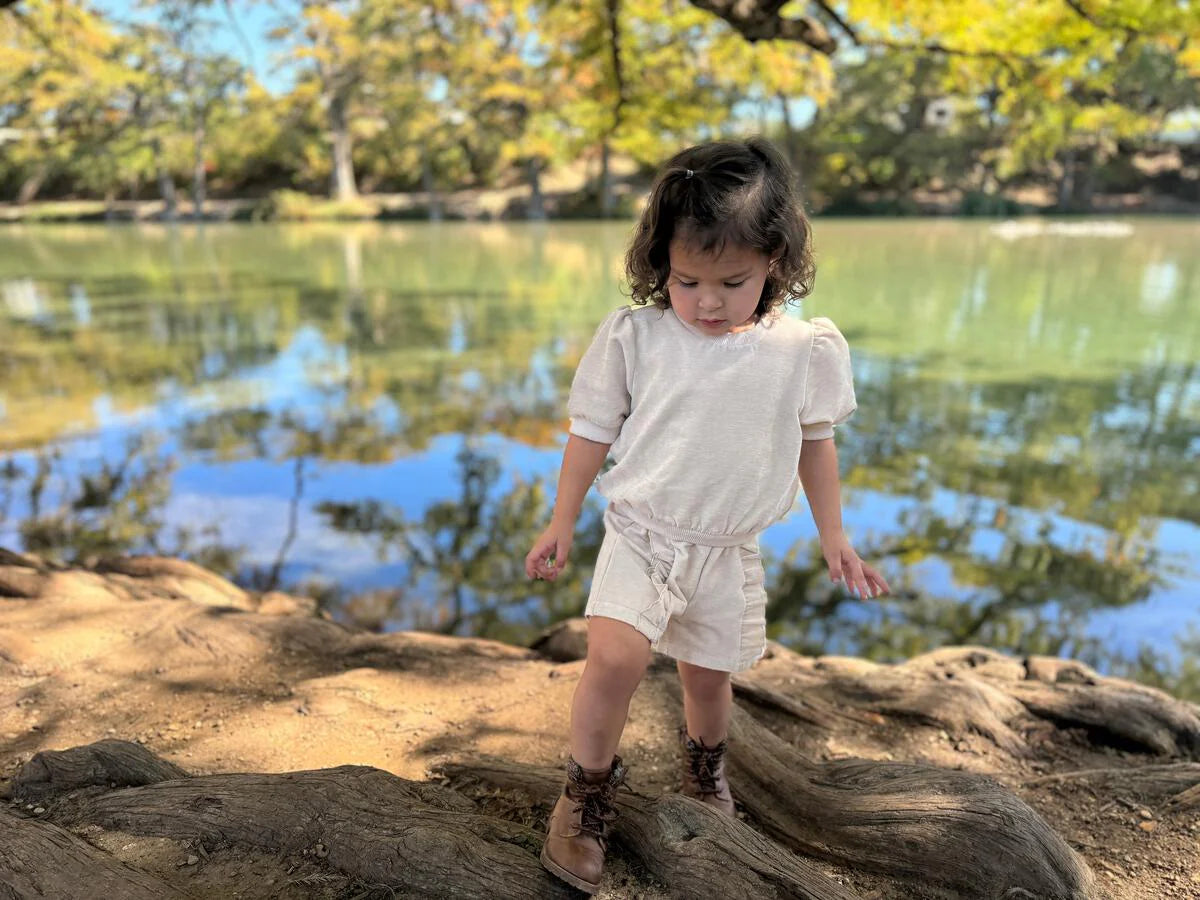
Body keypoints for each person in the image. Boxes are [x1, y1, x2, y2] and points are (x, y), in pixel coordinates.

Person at [524, 137, 890, 895]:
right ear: (660, 265)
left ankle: (704, 771)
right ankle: (585, 792)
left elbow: (814, 446)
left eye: (733, 280)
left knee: (708, 680)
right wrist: (560, 521)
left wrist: (836, 537)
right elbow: (589, 434)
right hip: (642, 533)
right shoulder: (637, 336)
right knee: (616, 660)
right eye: (687, 280)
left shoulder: (802, 348)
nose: (709, 302)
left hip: (726, 548)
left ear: (777, 263)